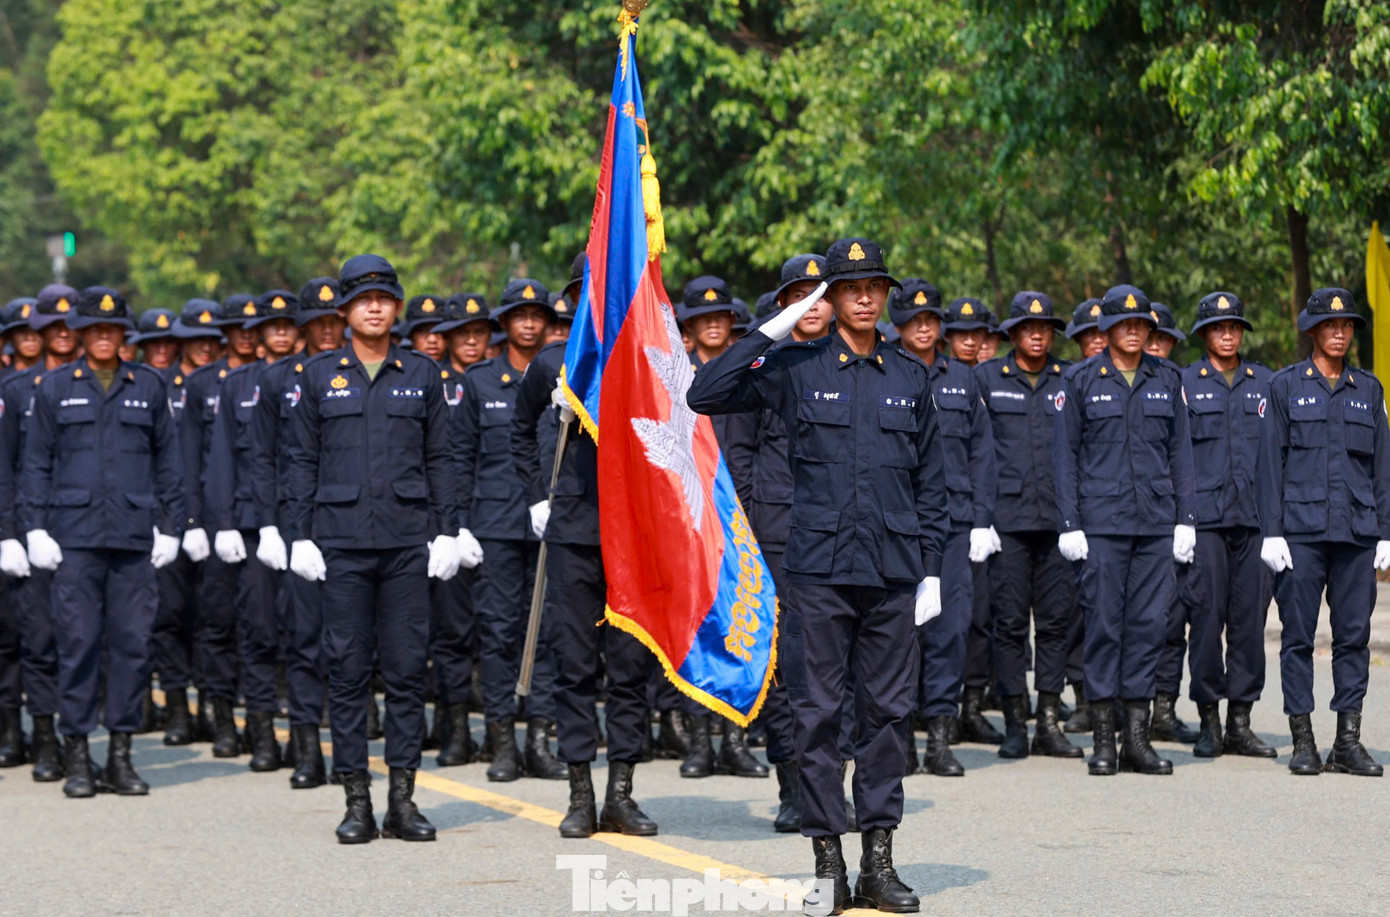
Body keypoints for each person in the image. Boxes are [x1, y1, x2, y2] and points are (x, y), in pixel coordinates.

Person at [688, 238, 946, 915]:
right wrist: (771, 326)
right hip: (818, 572)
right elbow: (705, 391)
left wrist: (933, 573)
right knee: (819, 716)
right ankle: (828, 859)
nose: (865, 295)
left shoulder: (909, 375)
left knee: (889, 717)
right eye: (849, 285)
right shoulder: (796, 366)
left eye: (874, 285)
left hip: (892, 572)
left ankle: (878, 861)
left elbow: (934, 485)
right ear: (826, 297)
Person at [285, 254, 460, 842]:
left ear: (396, 307)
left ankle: (402, 802)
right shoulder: (316, 375)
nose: (376, 307)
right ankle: (356, 800)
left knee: (409, 671)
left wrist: (447, 529)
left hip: (409, 542)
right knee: (348, 673)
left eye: (385, 298)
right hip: (341, 545)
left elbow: (443, 457)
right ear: (345, 311)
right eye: (363, 300)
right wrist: (299, 535)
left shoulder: (422, 372)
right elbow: (300, 461)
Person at [19, 286, 185, 797]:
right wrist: (34, 528)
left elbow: (169, 460)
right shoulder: (53, 387)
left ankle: (120, 756)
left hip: (134, 538)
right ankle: (77, 757)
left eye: (113, 330)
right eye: (96, 330)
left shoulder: (149, 386)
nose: (105, 337)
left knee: (132, 648)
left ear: (123, 335)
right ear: (83, 336)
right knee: (78, 645)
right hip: (75, 540)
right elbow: (37, 462)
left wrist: (174, 526)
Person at [1053, 284, 1196, 777]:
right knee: (1104, 629)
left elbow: (1181, 455)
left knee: (1149, 628)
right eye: (1124, 324)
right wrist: (1070, 524)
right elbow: (1065, 458)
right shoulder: (1081, 380)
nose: (1134, 331)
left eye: (1142, 325)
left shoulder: (1166, 378)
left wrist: (1186, 520)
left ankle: (1137, 740)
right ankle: (1104, 741)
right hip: (1102, 526)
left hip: (1155, 525)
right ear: (1106, 330)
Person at [723, 253, 835, 830]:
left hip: (842, 530)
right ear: (784, 303)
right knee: (790, 661)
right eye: (800, 296)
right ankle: (792, 779)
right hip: (779, 529)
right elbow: (738, 453)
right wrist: (750, 521)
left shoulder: (856, 359)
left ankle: (833, 778)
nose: (811, 306)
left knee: (837, 661)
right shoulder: (762, 365)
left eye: (820, 295)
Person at [1258, 287, 1388, 777]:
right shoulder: (1286, 386)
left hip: (1356, 533)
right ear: (1312, 330)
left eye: (1348, 325)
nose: (1340, 332)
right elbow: (1270, 463)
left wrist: (1386, 532)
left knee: (1354, 638)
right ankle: (1303, 740)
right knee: (1297, 638)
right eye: (1331, 325)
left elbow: (1382, 469)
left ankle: (1347, 742)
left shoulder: (1368, 390)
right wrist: (1271, 532)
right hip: (1301, 533)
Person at [455, 278, 567, 783]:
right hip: (496, 523)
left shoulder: (565, 372)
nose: (528, 323)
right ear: (504, 323)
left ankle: (540, 741)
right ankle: (502, 741)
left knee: (544, 634)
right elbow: (459, 458)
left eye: (537, 315)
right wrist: (456, 525)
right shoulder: (479, 381)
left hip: (554, 519)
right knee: (499, 632)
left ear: (548, 323)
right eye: (519, 315)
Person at [1161, 292, 1276, 759]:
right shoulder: (1184, 383)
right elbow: (1172, 454)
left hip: (1253, 520)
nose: (1227, 334)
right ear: (1204, 334)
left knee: (1249, 624)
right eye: (1218, 327)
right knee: (1205, 621)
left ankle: (1240, 721)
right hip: (1203, 521)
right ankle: (1209, 715)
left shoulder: (1266, 383)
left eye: (1234, 327)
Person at [975, 292, 1082, 759]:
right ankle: (1016, 722)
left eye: (1045, 328)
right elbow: (978, 452)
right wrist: (982, 518)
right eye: (1028, 328)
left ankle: (1050, 722)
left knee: (1056, 625)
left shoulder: (1071, 379)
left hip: (1060, 523)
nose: (1038, 335)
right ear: (1013, 333)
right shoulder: (987, 378)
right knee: (1011, 625)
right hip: (1009, 522)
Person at [249, 277, 344, 788]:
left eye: (335, 320)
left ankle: (349, 747)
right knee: (304, 639)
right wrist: (267, 524)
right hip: (297, 523)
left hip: (353, 522)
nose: (328, 330)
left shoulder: (363, 372)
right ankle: (308, 750)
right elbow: (262, 459)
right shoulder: (276, 380)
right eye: (319, 322)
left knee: (352, 642)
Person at [675, 274, 768, 780]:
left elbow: (758, 449)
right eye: (702, 318)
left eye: (721, 317)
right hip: (688, 513)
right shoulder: (671, 373)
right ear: (687, 327)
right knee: (694, 628)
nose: (713, 324)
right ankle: (698, 742)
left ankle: (735, 738)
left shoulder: (751, 370)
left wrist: (751, 510)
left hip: (743, 512)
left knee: (741, 623)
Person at [206, 289, 303, 773]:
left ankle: (303, 735)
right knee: (259, 630)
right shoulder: (237, 383)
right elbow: (222, 456)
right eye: (273, 325)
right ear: (259, 333)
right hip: (251, 524)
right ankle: (263, 732)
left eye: (289, 324)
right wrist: (222, 523)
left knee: (307, 630)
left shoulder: (318, 376)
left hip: (305, 520)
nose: (281, 331)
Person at [0, 286, 83, 780]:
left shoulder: (96, 382)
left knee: (79, 638)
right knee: (33, 637)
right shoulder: (16, 390)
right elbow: (5, 468)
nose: (60, 335)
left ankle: (71, 736)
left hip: (83, 527)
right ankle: (38, 735)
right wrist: (9, 531)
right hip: (31, 528)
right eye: (51, 328)